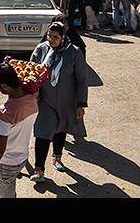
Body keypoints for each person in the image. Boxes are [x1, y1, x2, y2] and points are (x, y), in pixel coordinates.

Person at [29, 22, 88, 182]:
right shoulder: (41, 49)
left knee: (61, 129)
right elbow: (32, 71)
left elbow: (82, 80)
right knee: (42, 132)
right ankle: (39, 169)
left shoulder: (74, 52)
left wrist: (81, 104)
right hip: (45, 99)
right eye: (49, 36)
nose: (51, 39)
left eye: (55, 37)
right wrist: (31, 91)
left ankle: (57, 158)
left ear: (63, 37)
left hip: (66, 100)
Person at [0, 62, 38, 198]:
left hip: (6, 164)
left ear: (4, 86)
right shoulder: (32, 98)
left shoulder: (6, 112)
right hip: (22, 158)